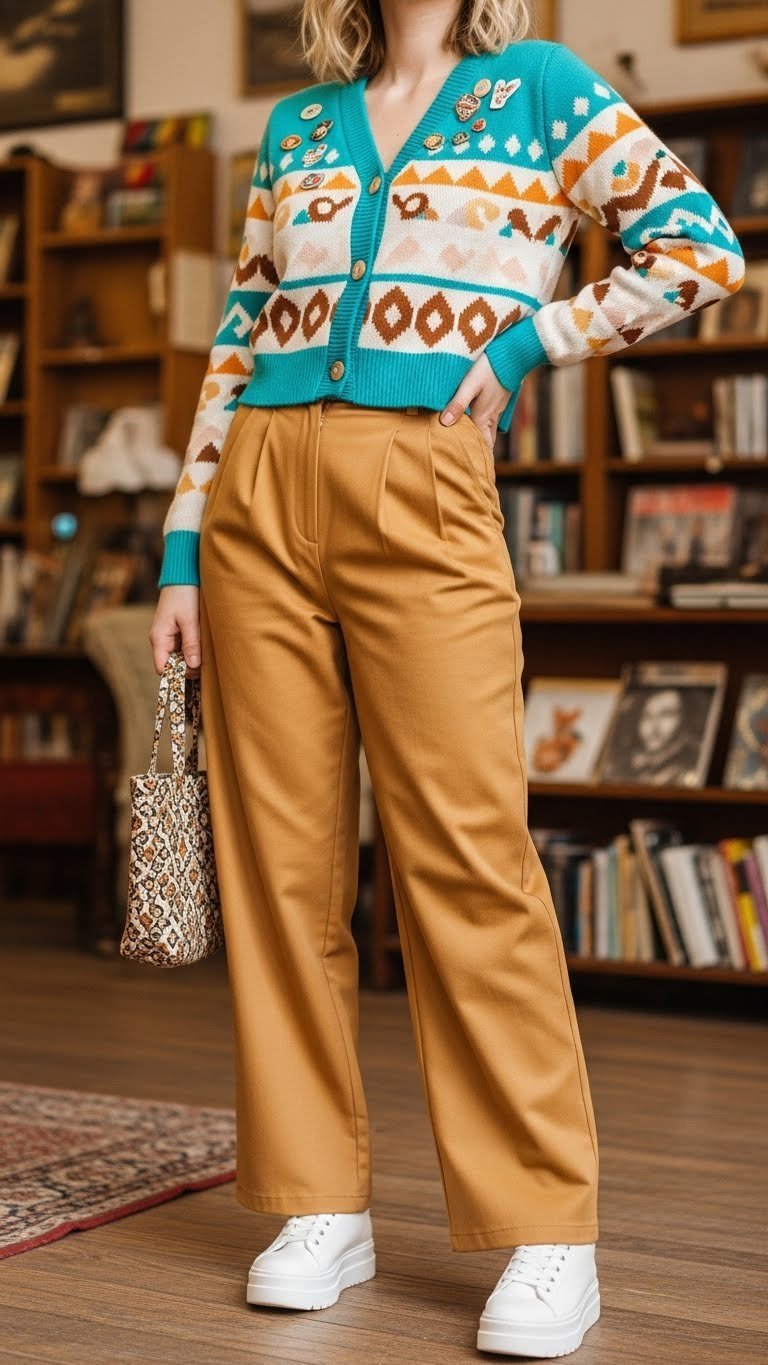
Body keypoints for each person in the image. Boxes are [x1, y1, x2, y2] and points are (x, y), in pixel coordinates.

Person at [149, 1, 745, 1356]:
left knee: (468, 854)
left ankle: (548, 1227)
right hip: (260, 494)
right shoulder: (298, 123)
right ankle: (316, 1201)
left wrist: (531, 343)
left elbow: (699, 249)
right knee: (282, 867)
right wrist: (183, 543)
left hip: (423, 473)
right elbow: (240, 333)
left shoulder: (536, 86)